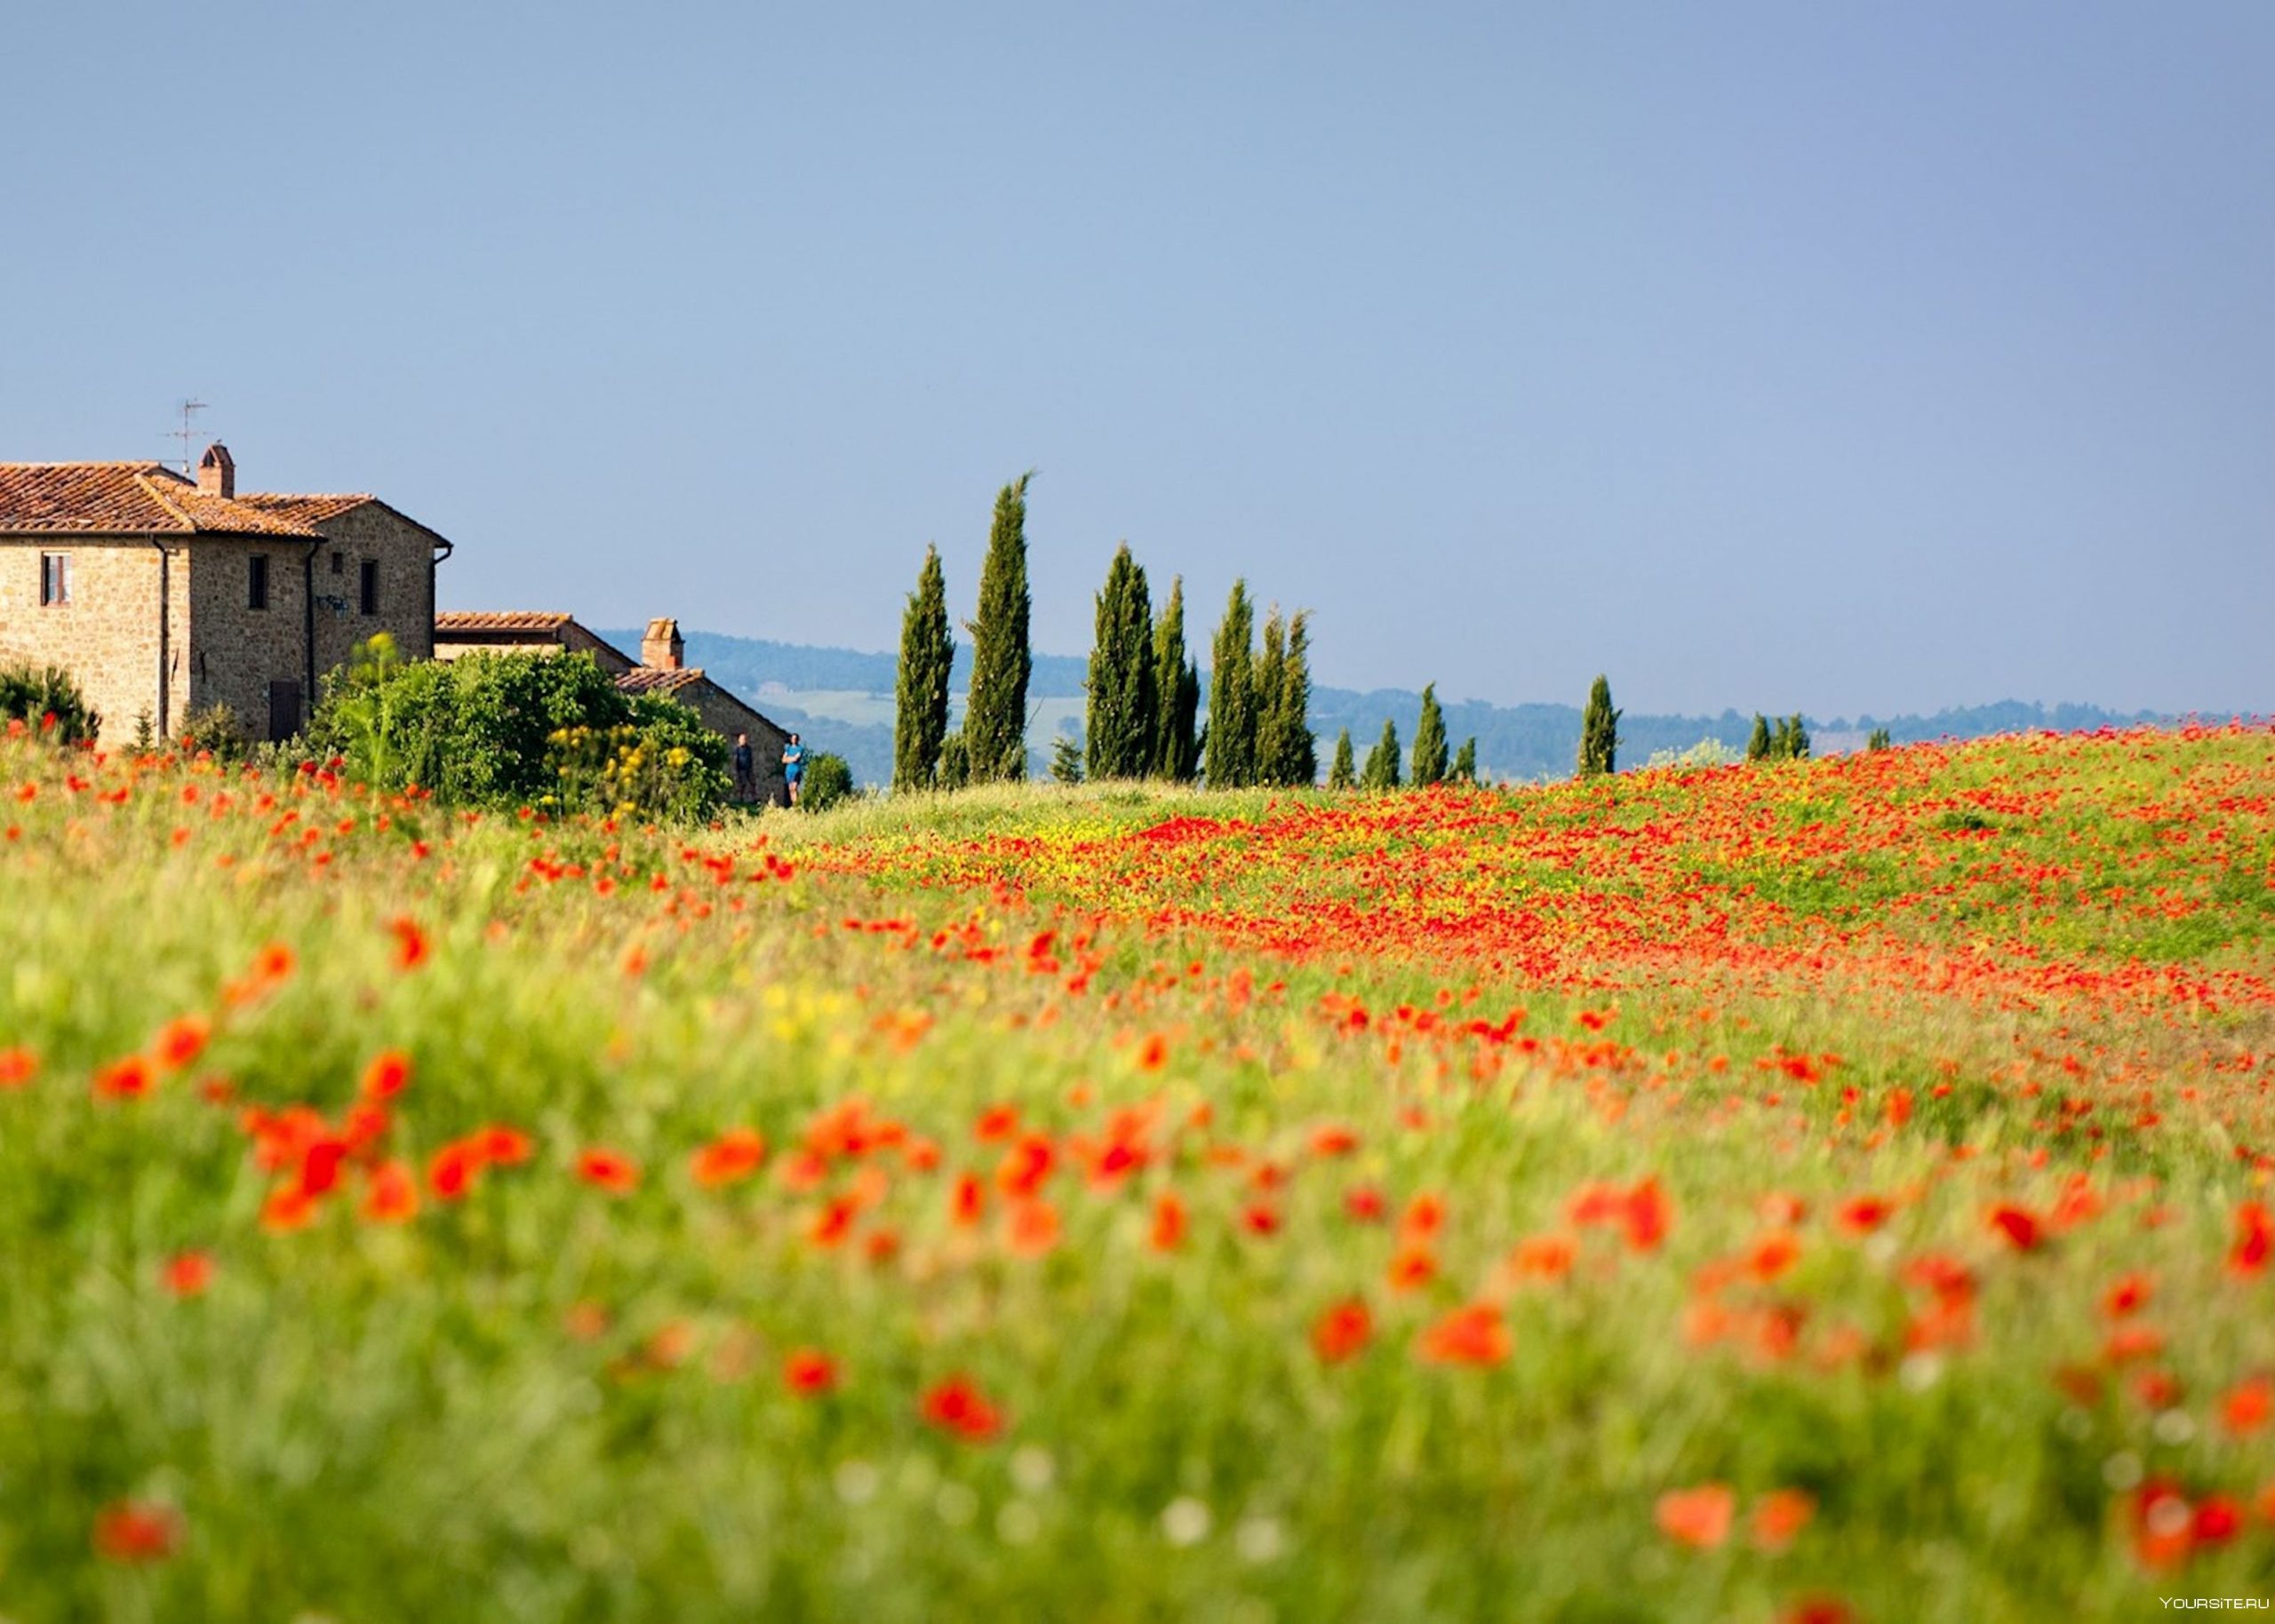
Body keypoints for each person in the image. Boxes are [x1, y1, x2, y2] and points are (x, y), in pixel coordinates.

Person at [781, 732, 808, 807]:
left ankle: (796, 804)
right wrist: (791, 759)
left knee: (794, 788)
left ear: (798, 740)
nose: (794, 740)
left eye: (795, 739)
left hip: (796, 770)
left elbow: (796, 759)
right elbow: (783, 760)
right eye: (793, 739)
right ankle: (793, 804)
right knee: (790, 789)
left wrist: (788, 759)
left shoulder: (800, 749)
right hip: (788, 770)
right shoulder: (788, 748)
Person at [731, 732, 754, 801]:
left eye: (744, 739)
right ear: (739, 740)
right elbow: (736, 759)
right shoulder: (737, 749)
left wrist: (751, 767)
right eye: (742, 739)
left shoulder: (748, 748)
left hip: (748, 768)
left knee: (752, 783)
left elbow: (750, 758)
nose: (743, 741)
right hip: (741, 769)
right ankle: (740, 797)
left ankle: (753, 798)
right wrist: (736, 769)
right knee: (742, 784)